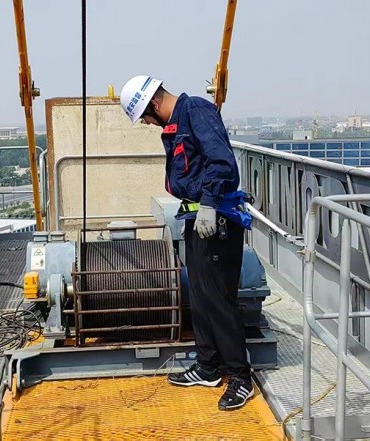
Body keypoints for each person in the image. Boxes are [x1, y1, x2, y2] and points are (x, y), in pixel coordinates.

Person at [119, 75, 254, 410]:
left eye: (146, 118)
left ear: (153, 104)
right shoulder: (178, 123)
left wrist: (209, 203)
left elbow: (222, 161)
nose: (148, 124)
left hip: (216, 219)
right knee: (200, 296)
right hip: (197, 218)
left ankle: (241, 378)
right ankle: (208, 367)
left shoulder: (195, 110)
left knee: (219, 300)